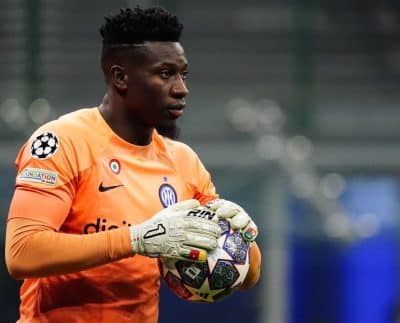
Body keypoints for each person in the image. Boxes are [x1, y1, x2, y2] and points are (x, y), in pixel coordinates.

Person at [5, 6, 261, 323]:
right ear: (120, 77)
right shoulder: (63, 142)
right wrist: (137, 239)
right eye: (165, 74)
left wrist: (243, 239)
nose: (181, 89)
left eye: (183, 74)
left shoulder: (183, 161)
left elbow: (246, 276)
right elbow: (21, 252)